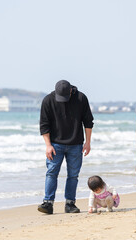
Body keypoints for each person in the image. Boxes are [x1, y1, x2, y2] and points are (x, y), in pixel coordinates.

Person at [38, 80, 94, 214]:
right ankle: (48, 203)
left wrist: (88, 142)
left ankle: (70, 204)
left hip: (76, 144)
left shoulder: (81, 98)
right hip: (55, 145)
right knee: (51, 173)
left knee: (73, 175)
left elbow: (88, 121)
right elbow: (44, 125)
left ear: (71, 91)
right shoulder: (48, 100)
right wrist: (48, 145)